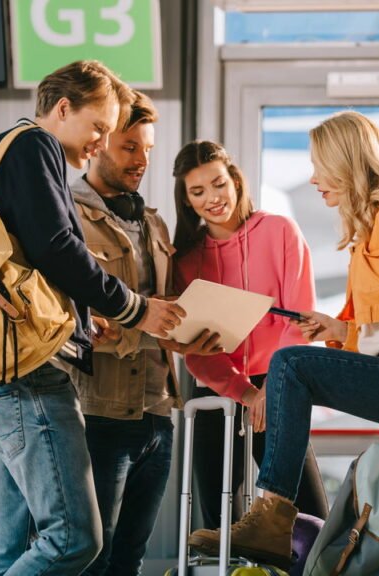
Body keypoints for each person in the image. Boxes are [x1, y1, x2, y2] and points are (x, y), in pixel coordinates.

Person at [187, 111, 379, 575]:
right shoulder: (369, 232)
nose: (314, 178)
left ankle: (272, 516)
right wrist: (342, 331)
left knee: (291, 365)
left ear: (347, 163)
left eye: (320, 165)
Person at [0, 61, 187, 575]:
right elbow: (57, 246)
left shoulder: (9, 147)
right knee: (73, 539)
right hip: (22, 372)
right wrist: (136, 309)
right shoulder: (36, 146)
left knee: (12, 549)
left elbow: (30, 252)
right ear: (62, 109)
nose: (99, 143)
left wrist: (78, 322)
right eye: (99, 127)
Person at [69, 91, 221, 576]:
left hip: (157, 413)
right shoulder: (66, 213)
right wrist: (154, 329)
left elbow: (162, 311)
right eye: (130, 147)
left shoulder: (152, 221)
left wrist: (191, 332)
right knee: (91, 558)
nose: (142, 161)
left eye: (148, 149)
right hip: (99, 412)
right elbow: (88, 322)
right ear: (99, 144)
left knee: (129, 561)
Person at [171, 140, 330, 532]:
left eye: (219, 184)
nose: (213, 198)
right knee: (218, 524)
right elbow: (197, 350)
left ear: (236, 182)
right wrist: (244, 392)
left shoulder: (279, 232)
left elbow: (298, 321)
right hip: (217, 391)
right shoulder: (186, 261)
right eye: (198, 191)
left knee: (308, 515)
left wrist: (269, 389)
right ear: (187, 201)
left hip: (279, 386)